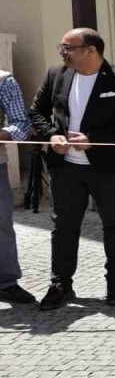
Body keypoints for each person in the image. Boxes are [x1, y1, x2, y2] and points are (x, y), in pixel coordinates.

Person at [29, 28, 115, 310]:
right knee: (64, 226)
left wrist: (94, 140)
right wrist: (51, 135)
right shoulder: (56, 74)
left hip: (108, 167)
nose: (62, 52)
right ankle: (61, 284)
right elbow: (37, 112)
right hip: (65, 167)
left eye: (67, 47)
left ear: (89, 51)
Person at [0, 69, 33, 304]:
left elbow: (21, 122)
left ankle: (6, 281)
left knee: (1, 224)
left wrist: (2, 133)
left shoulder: (3, 80)